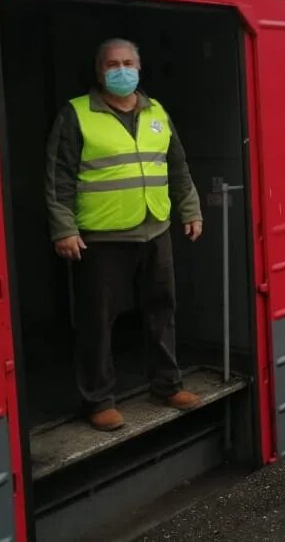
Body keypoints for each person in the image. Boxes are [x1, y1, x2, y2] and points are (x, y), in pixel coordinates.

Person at [45, 38, 204, 432]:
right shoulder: (76, 114)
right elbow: (57, 177)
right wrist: (63, 227)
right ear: (100, 71)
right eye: (113, 64)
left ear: (139, 67)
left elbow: (177, 167)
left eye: (128, 62)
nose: (121, 70)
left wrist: (191, 209)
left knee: (161, 308)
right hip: (101, 237)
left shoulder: (157, 111)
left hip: (156, 228)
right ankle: (98, 399)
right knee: (98, 320)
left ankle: (167, 385)